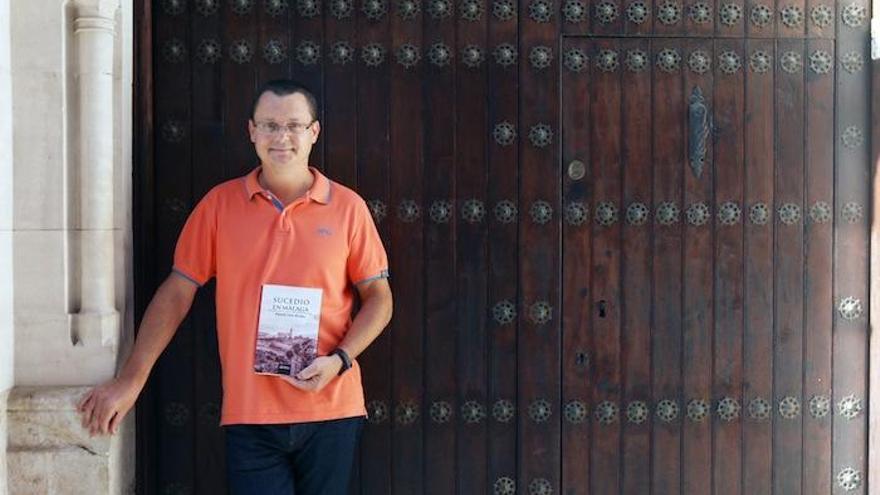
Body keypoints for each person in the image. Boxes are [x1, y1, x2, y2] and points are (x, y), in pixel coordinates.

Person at [78, 79, 393, 495]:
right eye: (270, 125)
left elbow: (379, 299)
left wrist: (340, 359)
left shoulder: (348, 208)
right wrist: (131, 379)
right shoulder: (219, 205)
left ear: (314, 132)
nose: (282, 137)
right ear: (251, 131)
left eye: (295, 125)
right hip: (250, 414)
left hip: (332, 410)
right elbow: (177, 291)